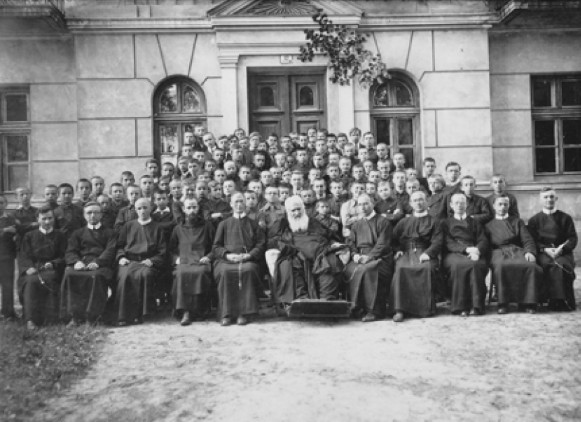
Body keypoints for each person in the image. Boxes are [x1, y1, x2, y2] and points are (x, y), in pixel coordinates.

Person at [272, 196, 346, 314]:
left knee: (330, 263)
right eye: (293, 210)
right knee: (289, 265)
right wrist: (291, 250)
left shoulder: (312, 221)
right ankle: (301, 300)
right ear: (287, 211)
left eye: (299, 209)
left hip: (319, 253)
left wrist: (333, 244)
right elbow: (276, 241)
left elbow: (328, 235)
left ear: (303, 209)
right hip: (296, 255)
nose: (297, 213)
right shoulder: (283, 223)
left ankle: (327, 301)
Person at [213, 192, 265, 326]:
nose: (239, 204)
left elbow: (260, 244)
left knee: (248, 270)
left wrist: (249, 255)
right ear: (231, 204)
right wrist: (227, 255)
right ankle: (226, 314)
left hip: (247, 260)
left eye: (241, 201)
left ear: (245, 203)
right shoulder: (223, 224)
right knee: (225, 272)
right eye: (235, 202)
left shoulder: (254, 224)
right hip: (227, 260)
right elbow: (216, 246)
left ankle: (244, 313)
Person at [60, 202, 116, 326]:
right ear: (84, 215)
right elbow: (70, 250)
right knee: (69, 274)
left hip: (101, 264)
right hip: (81, 263)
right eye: (89, 213)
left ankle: (92, 317)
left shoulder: (109, 233)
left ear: (101, 215)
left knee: (96, 276)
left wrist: (98, 262)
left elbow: (110, 251)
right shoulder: (77, 233)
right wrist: (76, 262)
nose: (92, 215)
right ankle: (74, 316)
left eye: (96, 212)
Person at [390, 191, 442, 323]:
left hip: (425, 251)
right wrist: (397, 250)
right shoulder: (403, 222)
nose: (418, 203)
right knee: (401, 268)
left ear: (426, 202)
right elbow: (393, 239)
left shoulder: (434, 221)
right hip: (406, 252)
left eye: (421, 200)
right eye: (415, 200)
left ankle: (424, 309)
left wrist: (428, 253)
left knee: (426, 268)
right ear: (411, 203)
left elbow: (438, 241)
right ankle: (399, 309)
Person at [485, 195, 542, 315]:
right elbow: (486, 244)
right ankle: (503, 303)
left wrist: (530, 252)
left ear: (509, 206)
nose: (503, 207)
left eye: (505, 204)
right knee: (501, 267)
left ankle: (527, 302)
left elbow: (527, 239)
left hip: (517, 250)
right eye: (499, 204)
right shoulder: (488, 225)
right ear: (494, 206)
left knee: (530, 266)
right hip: (497, 251)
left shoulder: (517, 222)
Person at [114, 198, 167, 326]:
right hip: (130, 261)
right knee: (125, 276)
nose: (142, 211)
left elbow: (162, 250)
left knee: (145, 275)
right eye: (139, 208)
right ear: (135, 210)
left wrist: (152, 260)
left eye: (145, 207)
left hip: (147, 262)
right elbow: (119, 246)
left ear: (150, 209)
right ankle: (124, 315)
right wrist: (121, 257)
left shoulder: (157, 227)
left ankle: (141, 314)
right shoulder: (128, 226)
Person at [344, 194, 393, 322]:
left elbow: (382, 244)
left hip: (380, 257)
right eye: (360, 204)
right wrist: (354, 255)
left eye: (366, 204)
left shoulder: (383, 222)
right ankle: (356, 307)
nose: (363, 207)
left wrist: (370, 257)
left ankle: (374, 310)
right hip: (360, 257)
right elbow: (351, 242)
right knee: (348, 269)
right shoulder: (356, 225)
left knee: (368, 270)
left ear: (372, 204)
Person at [527, 187, 578, 311]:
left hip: (562, 252)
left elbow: (572, 238)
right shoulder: (534, 220)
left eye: (551, 197)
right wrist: (544, 249)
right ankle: (549, 299)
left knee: (562, 265)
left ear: (556, 199)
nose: (549, 200)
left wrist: (562, 249)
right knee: (547, 265)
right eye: (545, 197)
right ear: (540, 200)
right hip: (543, 252)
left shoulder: (565, 218)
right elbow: (532, 240)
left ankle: (561, 300)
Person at [18, 206, 67, 329]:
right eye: (44, 218)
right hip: (34, 269)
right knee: (30, 282)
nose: (47, 222)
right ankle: (30, 319)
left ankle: (51, 317)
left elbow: (65, 255)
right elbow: (24, 255)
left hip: (53, 269)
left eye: (50, 218)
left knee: (51, 279)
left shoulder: (60, 235)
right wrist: (28, 267)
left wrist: (54, 263)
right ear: (38, 219)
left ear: (54, 219)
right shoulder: (29, 236)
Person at [441, 194, 489, 316]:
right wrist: (467, 250)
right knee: (458, 266)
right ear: (451, 205)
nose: (460, 205)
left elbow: (482, 239)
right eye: (456, 203)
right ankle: (460, 306)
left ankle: (476, 306)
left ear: (466, 205)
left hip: (474, 251)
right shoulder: (445, 223)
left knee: (476, 265)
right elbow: (448, 242)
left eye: (462, 203)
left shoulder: (475, 222)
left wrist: (477, 251)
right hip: (454, 252)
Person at [169, 198, 215, 325]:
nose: (192, 210)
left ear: (198, 208)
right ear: (183, 209)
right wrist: (175, 259)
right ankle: (185, 311)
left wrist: (209, 257)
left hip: (201, 260)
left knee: (200, 273)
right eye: (189, 208)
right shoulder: (178, 228)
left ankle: (200, 311)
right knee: (181, 274)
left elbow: (215, 246)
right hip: (184, 261)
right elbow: (171, 249)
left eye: (194, 207)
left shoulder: (207, 226)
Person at [0, 195, 18, 320]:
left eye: (1, 202)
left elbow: (17, 231)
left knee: (7, 285)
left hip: (6, 255)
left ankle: (8, 312)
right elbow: (9, 231)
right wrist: (5, 230)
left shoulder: (11, 218)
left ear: (5, 204)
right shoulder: (8, 224)